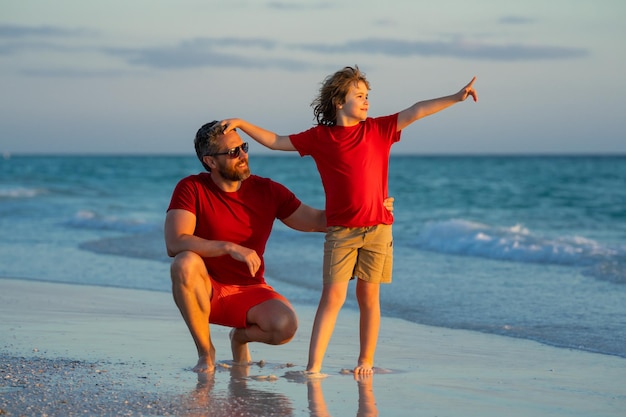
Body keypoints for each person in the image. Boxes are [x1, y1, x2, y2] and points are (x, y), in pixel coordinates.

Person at [221, 66, 478, 375]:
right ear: (339, 102)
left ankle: (365, 361)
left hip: (379, 229)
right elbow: (277, 141)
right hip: (341, 232)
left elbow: (417, 110)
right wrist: (241, 123)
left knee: (369, 298)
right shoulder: (321, 138)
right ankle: (314, 366)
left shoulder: (379, 129)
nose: (366, 101)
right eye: (359, 95)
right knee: (333, 297)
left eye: (368, 96)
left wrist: (456, 97)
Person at [164, 119, 394, 373]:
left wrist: (369, 210)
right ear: (210, 162)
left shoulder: (267, 190)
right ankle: (206, 354)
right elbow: (175, 241)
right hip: (206, 290)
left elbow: (317, 220)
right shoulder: (191, 188)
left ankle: (239, 337)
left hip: (249, 291)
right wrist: (231, 247)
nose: (243, 156)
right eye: (233, 152)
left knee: (285, 326)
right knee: (184, 262)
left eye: (244, 148)